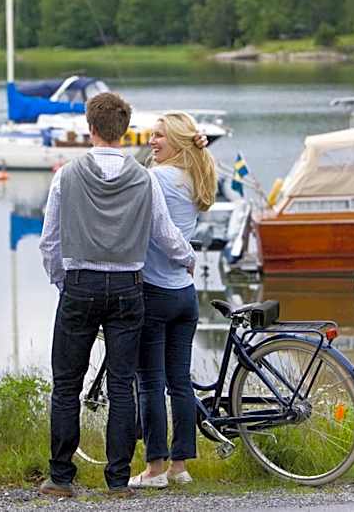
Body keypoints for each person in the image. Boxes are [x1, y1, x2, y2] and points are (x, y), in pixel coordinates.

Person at [37, 92, 197, 498]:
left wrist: (63, 281)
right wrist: (188, 258)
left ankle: (60, 477)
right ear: (125, 131)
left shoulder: (67, 175)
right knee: (122, 385)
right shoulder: (143, 177)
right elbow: (165, 232)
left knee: (67, 384)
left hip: (80, 284)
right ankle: (116, 479)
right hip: (128, 287)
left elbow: (49, 241)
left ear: (90, 128)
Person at [129, 111, 216, 489]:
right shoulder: (195, 176)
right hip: (185, 294)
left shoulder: (155, 179)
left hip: (155, 289)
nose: (152, 140)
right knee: (180, 381)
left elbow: (154, 231)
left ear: (178, 141)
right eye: (152, 134)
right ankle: (180, 467)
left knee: (151, 383)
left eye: (160, 136)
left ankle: (154, 469)